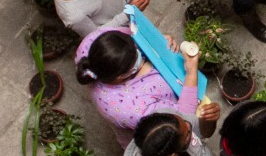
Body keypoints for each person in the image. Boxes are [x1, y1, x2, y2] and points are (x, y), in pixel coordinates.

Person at [75, 27, 213, 147]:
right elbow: (183, 116)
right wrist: (192, 71)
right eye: (136, 63)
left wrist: (156, 43)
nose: (141, 57)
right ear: (120, 77)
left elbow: (133, 34)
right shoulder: (133, 108)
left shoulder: (91, 43)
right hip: (159, 134)